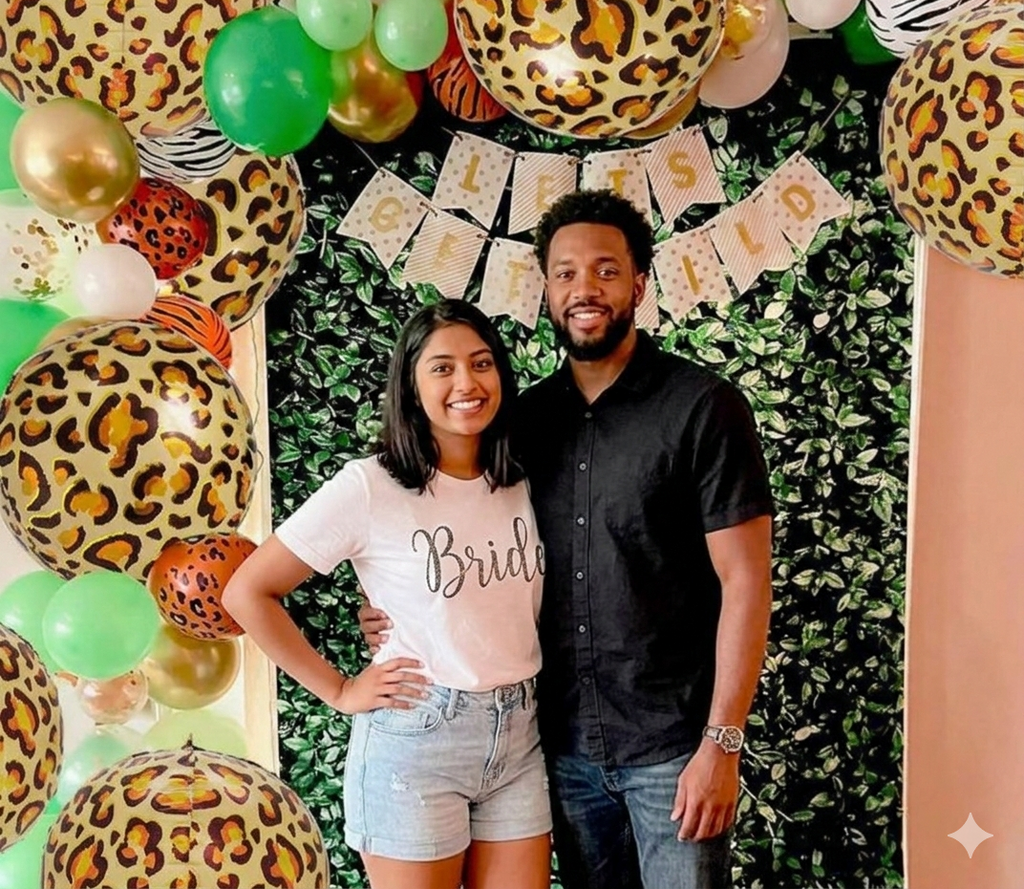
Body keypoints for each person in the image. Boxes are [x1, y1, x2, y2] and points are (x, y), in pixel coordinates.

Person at [362, 190, 774, 889]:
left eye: (606, 271)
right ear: (548, 291)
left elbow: (747, 581)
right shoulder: (519, 423)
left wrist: (721, 744)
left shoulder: (703, 408)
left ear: (640, 284)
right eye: (566, 273)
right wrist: (392, 615)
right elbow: (459, 538)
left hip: (674, 751)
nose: (586, 288)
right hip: (560, 750)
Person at [223, 299, 552, 889]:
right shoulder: (371, 486)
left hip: (519, 737)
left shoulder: (523, 479)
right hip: (418, 738)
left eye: (481, 363)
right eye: (442, 368)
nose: (466, 383)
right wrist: (340, 689)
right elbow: (248, 592)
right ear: (411, 386)